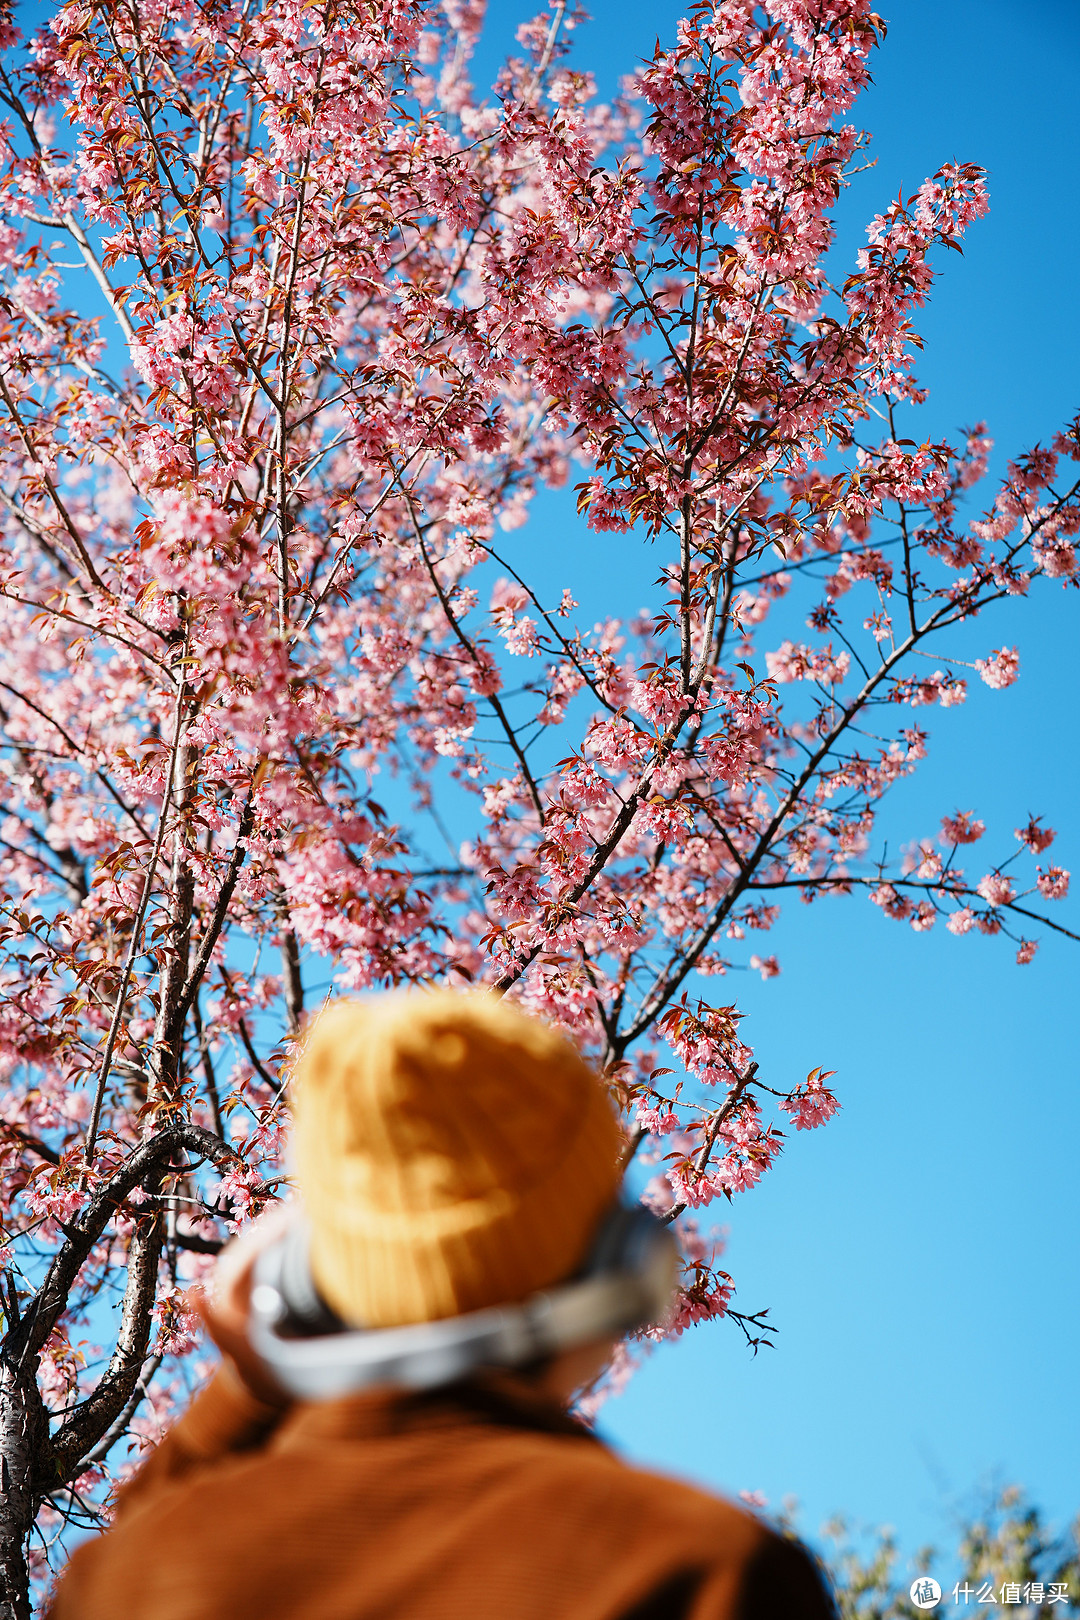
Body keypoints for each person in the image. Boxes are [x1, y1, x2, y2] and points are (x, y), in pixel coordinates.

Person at [49, 990, 837, 1619]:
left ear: (310, 1277)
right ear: (621, 1264)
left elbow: (133, 1549)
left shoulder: (132, 1581)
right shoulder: (701, 1569)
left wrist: (249, 1381)